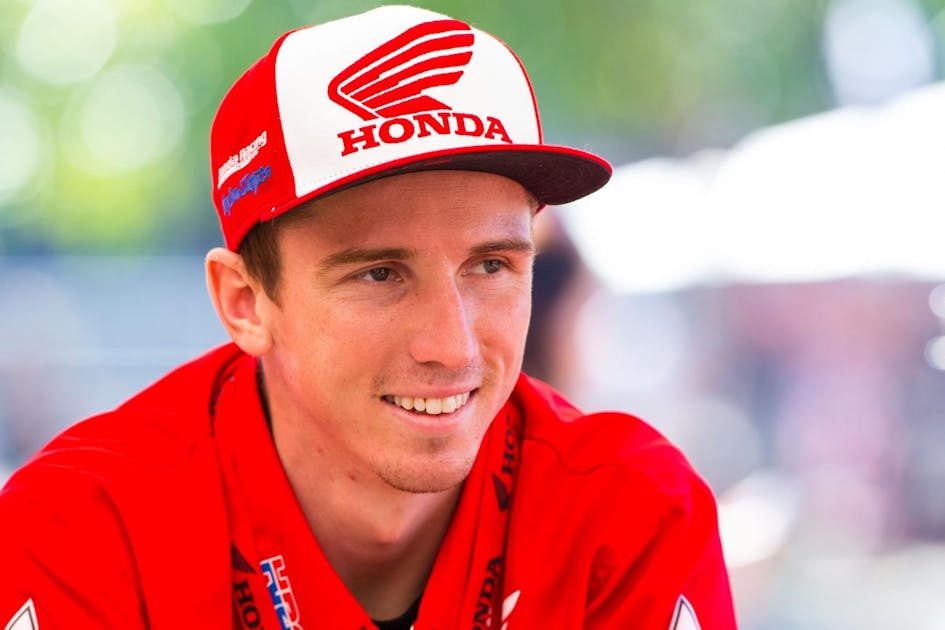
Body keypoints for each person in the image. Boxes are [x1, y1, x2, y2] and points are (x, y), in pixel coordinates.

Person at [0, 5, 736, 629]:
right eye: (379, 274)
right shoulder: (81, 531)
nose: (453, 347)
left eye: (491, 266)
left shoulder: (630, 515)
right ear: (244, 302)